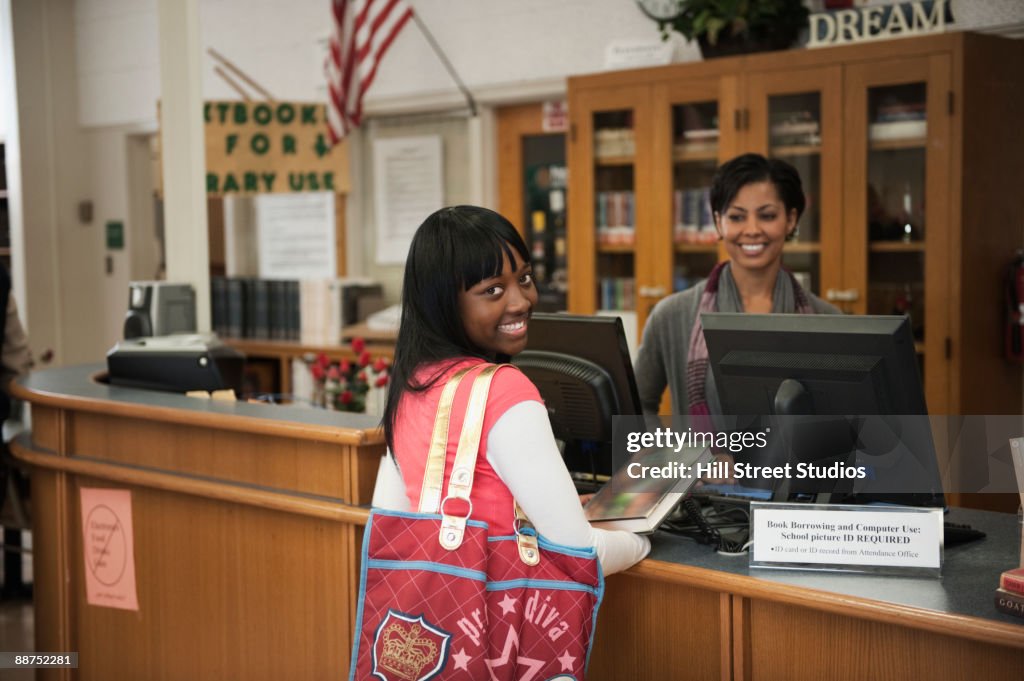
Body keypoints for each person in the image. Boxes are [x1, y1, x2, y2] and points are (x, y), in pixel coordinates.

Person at [371, 205, 649, 575]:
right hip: (500, 622)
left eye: (525, 278)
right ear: (443, 304)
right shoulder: (504, 390)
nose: (521, 301)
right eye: (493, 290)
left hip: (437, 621)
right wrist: (643, 536)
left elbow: (389, 527)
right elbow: (581, 554)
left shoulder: (413, 383)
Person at [635, 153, 841, 417]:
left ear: (790, 220)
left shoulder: (828, 320)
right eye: (737, 217)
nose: (752, 229)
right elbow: (636, 408)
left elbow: (842, 423)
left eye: (767, 216)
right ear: (719, 221)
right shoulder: (671, 316)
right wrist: (670, 455)